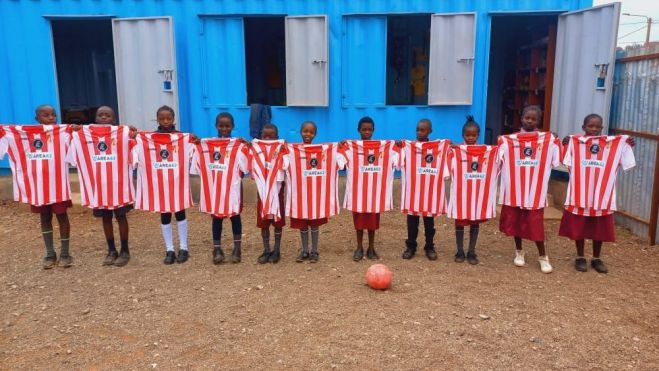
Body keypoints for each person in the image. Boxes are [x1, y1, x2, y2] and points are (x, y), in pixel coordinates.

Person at [559, 114, 636, 273]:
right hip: (580, 195)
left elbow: (627, 160)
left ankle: (596, 258)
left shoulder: (614, 145)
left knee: (599, 228)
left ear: (602, 129)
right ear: (583, 127)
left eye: (597, 127)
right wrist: (566, 144)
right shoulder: (575, 143)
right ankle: (580, 257)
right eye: (590, 126)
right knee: (579, 227)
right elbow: (566, 164)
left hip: (602, 197)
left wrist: (627, 145)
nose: (594, 129)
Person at [8, 105, 73, 269]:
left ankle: (65, 253)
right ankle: (50, 253)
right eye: (46, 115)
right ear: (37, 118)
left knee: (62, 217)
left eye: (53, 115)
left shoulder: (63, 133)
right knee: (44, 218)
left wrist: (76, 130)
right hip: (37, 188)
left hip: (58, 185)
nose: (51, 118)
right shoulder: (24, 135)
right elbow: (8, 139)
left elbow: (79, 141)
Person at [498, 105, 560, 274]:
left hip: (534, 193)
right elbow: (496, 161)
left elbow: (558, 161)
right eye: (527, 118)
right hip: (514, 191)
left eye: (534, 119)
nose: (530, 121)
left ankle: (543, 256)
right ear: (522, 118)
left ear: (539, 121)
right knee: (516, 223)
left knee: (535, 225)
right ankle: (519, 251)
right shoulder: (507, 140)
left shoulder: (548, 140)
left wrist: (562, 140)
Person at [93, 106, 134, 267]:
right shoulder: (87, 136)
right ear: (95, 119)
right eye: (100, 115)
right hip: (99, 186)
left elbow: (135, 143)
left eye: (107, 115)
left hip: (119, 185)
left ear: (114, 119)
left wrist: (132, 133)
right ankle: (111, 250)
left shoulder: (122, 134)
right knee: (105, 218)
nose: (103, 117)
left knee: (121, 217)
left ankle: (125, 250)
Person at [154, 105, 190, 264]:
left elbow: (192, 151)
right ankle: (169, 249)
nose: (166, 121)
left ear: (174, 119)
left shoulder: (181, 137)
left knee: (180, 214)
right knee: (165, 215)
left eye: (169, 118)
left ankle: (183, 248)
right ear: (158, 119)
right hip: (161, 184)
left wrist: (194, 140)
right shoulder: (151, 138)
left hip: (178, 183)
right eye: (162, 118)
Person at [401, 118, 438, 261]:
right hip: (413, 191)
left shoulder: (436, 148)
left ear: (430, 131)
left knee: (429, 222)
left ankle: (429, 246)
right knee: (412, 221)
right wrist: (399, 145)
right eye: (417, 129)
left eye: (423, 130)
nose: (419, 132)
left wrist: (451, 146)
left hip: (428, 192)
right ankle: (411, 246)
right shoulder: (409, 147)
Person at [211, 112, 244, 264]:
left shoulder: (238, 144)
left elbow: (244, 167)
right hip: (216, 186)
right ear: (216, 126)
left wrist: (246, 146)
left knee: (234, 216)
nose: (224, 128)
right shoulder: (209, 144)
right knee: (217, 218)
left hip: (233, 186)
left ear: (233, 127)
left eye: (227, 126)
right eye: (221, 125)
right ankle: (217, 248)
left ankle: (237, 248)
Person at [291, 121, 325, 263]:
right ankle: (305, 251)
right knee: (303, 223)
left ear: (315, 134)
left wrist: (339, 147)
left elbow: (333, 156)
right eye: (305, 131)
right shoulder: (294, 150)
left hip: (315, 193)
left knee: (314, 222)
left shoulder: (322, 150)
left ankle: (315, 251)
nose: (308, 134)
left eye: (311, 132)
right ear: (300, 132)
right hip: (300, 193)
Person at [350, 117, 382, 261]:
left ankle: (371, 247)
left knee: (372, 222)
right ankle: (359, 247)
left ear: (373, 130)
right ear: (359, 130)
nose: (367, 132)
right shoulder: (353, 147)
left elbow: (394, 152)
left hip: (374, 192)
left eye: (370, 129)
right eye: (364, 129)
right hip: (358, 192)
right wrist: (341, 145)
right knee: (359, 222)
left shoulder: (380, 147)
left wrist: (399, 145)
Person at [254, 123, 286, 264]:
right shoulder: (255, 150)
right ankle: (266, 250)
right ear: (260, 137)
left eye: (271, 137)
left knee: (277, 222)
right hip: (262, 194)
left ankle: (277, 250)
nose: (267, 139)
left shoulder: (283, 150)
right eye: (264, 136)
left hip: (277, 193)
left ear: (277, 138)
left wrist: (285, 149)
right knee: (264, 223)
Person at [453, 116, 482, 265]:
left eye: (474, 135)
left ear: (478, 135)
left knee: (474, 222)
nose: (470, 138)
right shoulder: (456, 150)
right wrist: (451, 149)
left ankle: (471, 251)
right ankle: (459, 250)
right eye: (467, 135)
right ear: (462, 135)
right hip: (460, 193)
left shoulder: (484, 152)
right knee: (460, 222)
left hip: (476, 194)